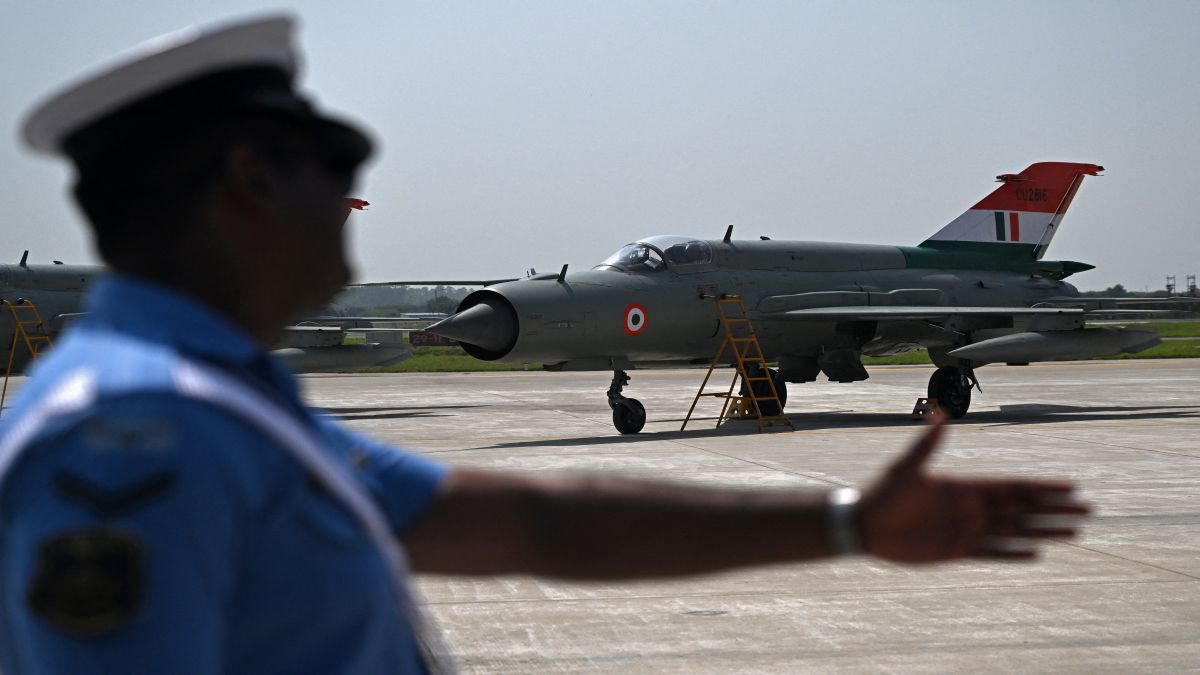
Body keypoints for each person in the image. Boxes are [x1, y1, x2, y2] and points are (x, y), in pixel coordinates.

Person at [0, 14, 1088, 675]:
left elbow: (522, 521)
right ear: (247, 186)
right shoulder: (128, 440)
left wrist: (844, 524)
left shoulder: (220, 406)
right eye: (331, 163)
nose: (351, 197)